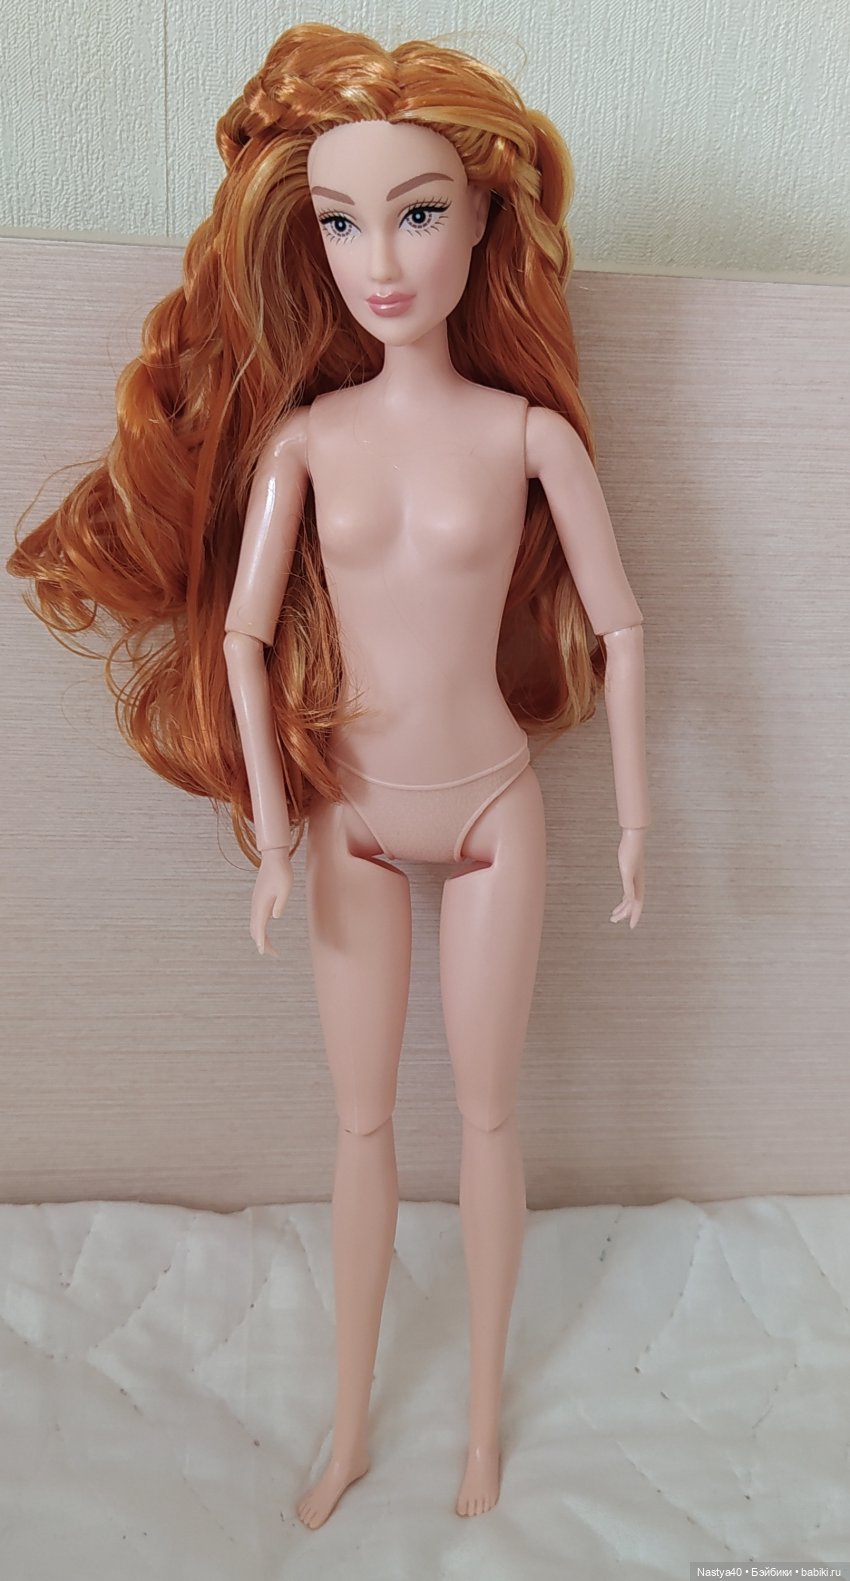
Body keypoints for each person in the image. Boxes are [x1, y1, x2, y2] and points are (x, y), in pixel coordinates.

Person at [7, 23, 650, 1528]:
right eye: (343, 222)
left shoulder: (529, 436)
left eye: (418, 212)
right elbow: (241, 636)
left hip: (491, 806)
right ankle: (351, 1422)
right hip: (352, 813)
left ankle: (480, 1431)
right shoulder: (305, 439)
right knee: (358, 1127)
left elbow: (621, 622)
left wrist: (634, 818)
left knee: (487, 1119)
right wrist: (277, 832)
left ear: (484, 217)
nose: (382, 261)